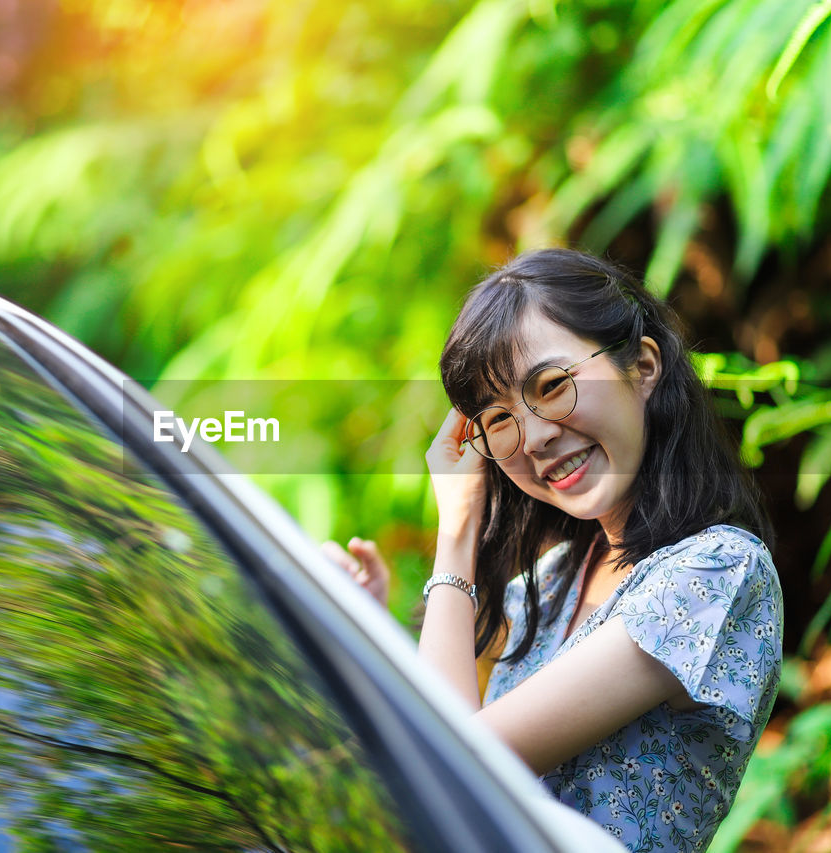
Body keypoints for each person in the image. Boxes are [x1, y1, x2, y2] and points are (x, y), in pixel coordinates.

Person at [324, 248, 783, 853]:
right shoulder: (556, 577)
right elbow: (443, 746)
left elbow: (456, 767)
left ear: (643, 368)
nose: (536, 436)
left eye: (551, 385)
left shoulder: (715, 575)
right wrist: (365, 628)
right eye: (499, 419)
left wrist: (457, 534)